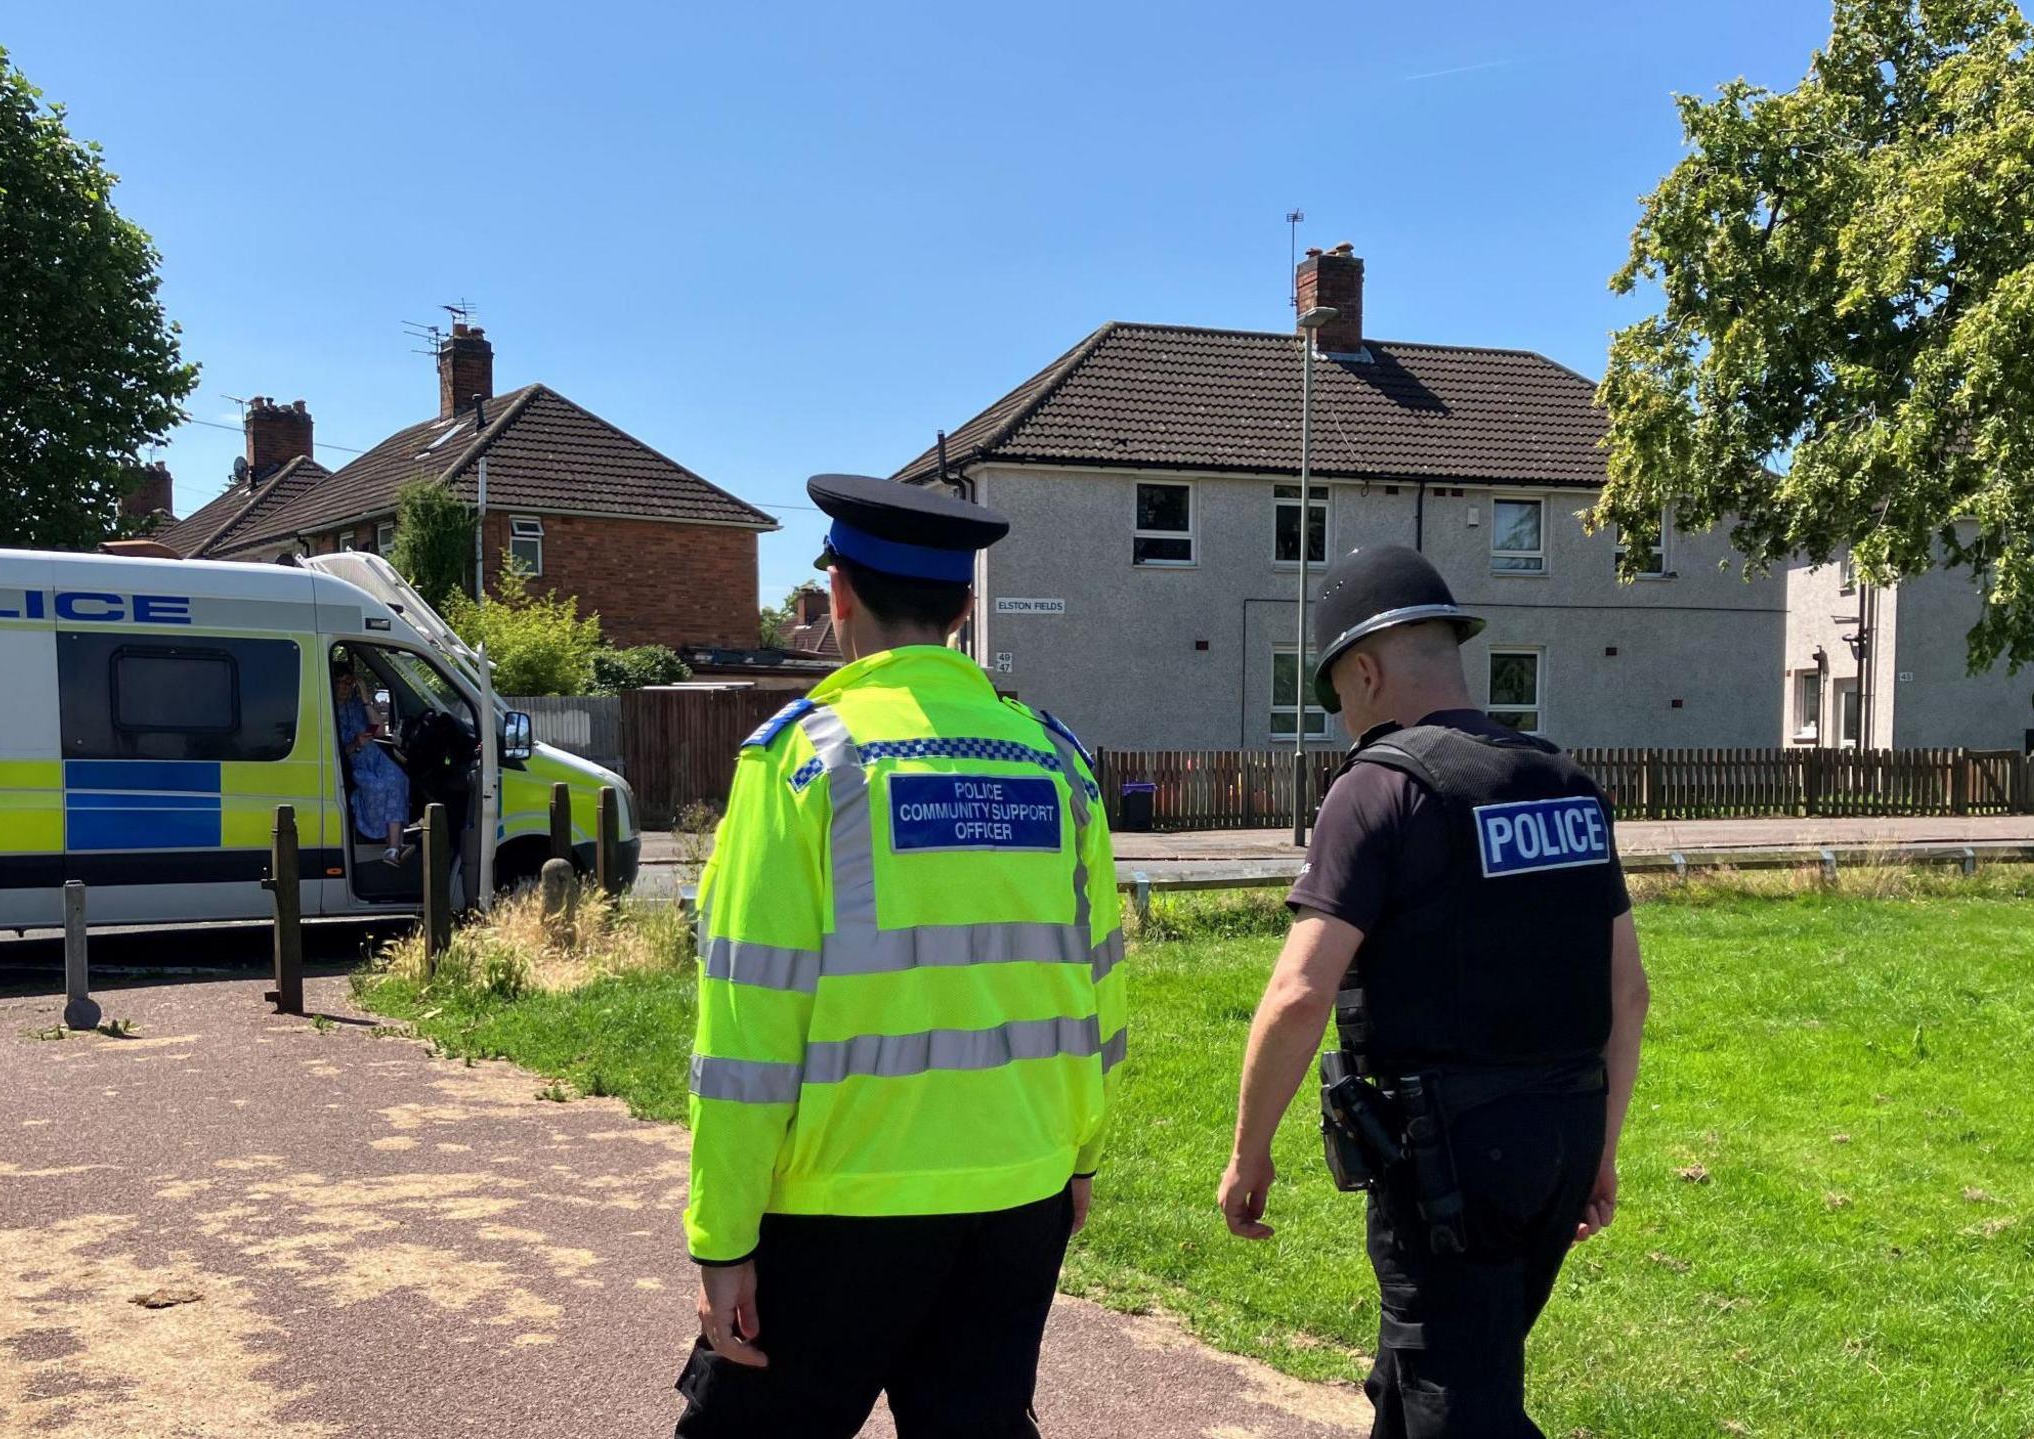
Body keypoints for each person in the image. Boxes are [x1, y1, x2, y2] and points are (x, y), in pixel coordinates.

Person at [675, 473, 1125, 1438]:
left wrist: (723, 1233)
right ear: (966, 607)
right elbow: (1099, 984)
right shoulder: (1056, 760)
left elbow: (747, 1025)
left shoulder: (801, 764)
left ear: (839, 594)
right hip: (1019, 1193)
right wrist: (1080, 1153)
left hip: (840, 1206)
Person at [1216, 544, 1652, 1439]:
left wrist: (1248, 1151)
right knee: (1427, 1372)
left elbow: (1301, 993)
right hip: (1561, 1136)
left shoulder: (1379, 788)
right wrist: (1599, 1153)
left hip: (1451, 1158)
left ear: (1365, 671)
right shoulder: (1564, 782)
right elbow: (1629, 991)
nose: (1340, 716)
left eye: (1335, 693)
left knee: (1452, 1402)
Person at [333, 663, 408, 865]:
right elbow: (336, 751)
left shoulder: (357, 704)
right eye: (339, 683)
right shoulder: (327, 708)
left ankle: (392, 849)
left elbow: (380, 731)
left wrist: (365, 697)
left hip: (375, 756)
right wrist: (355, 743)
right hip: (353, 762)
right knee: (377, 787)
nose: (344, 687)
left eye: (348, 682)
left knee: (397, 779)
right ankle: (393, 843)